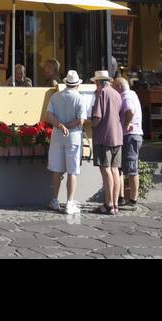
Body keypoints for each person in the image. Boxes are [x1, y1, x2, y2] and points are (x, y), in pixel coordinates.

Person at [44, 69, 86, 215]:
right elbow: (81, 120)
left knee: (57, 169)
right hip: (73, 136)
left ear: (66, 83)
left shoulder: (56, 96)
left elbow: (49, 116)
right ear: (77, 85)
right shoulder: (80, 98)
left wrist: (61, 126)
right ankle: (69, 202)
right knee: (72, 171)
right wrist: (67, 126)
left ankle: (55, 200)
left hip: (57, 135)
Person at [90, 70, 123, 215]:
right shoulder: (116, 93)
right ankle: (115, 204)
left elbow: (97, 118)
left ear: (98, 82)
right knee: (115, 170)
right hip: (117, 135)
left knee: (106, 170)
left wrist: (89, 123)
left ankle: (109, 204)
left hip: (104, 136)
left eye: (95, 83)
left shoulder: (102, 93)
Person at [112, 74, 144, 207]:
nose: (113, 91)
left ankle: (133, 200)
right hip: (133, 135)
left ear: (119, 87)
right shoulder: (133, 94)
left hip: (130, 135)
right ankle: (123, 198)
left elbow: (130, 110)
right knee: (123, 167)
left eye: (114, 88)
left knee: (131, 168)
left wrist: (126, 124)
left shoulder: (125, 96)